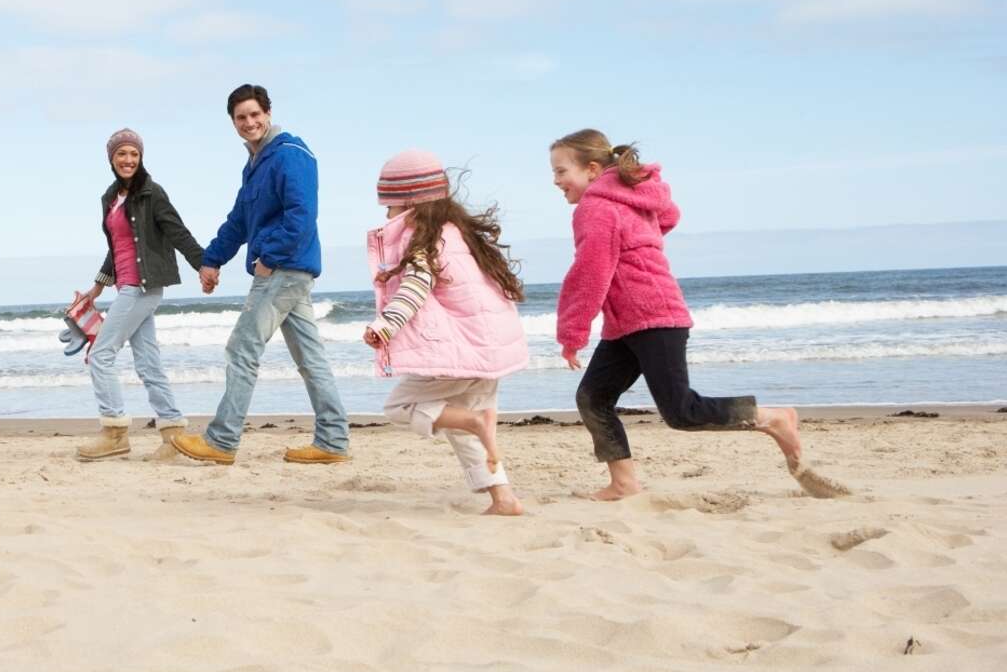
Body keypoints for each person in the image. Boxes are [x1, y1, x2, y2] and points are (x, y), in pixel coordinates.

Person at [550, 128, 820, 500]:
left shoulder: (595, 208)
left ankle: (773, 418)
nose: (556, 181)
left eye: (561, 171)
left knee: (682, 412)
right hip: (628, 322)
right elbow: (668, 216)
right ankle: (624, 483)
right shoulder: (629, 200)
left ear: (593, 169)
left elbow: (590, 273)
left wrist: (572, 333)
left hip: (654, 317)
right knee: (593, 397)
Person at [171, 85, 351, 465]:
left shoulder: (290, 155)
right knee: (310, 358)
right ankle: (333, 441)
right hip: (287, 271)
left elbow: (302, 216)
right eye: (241, 117)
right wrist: (211, 259)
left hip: (283, 270)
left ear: (268, 113)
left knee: (242, 348)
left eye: (255, 114)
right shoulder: (255, 163)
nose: (249, 122)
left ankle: (221, 441)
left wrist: (269, 257)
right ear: (233, 123)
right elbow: (239, 219)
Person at [363, 151, 531, 516]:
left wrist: (385, 325)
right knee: (462, 427)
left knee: (400, 406)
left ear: (407, 202)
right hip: (490, 348)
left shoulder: (422, 241)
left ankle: (474, 422)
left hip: (463, 352)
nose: (387, 216)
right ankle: (504, 499)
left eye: (389, 207)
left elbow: (415, 287)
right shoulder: (461, 234)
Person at [74, 128, 207, 462]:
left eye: (134, 154)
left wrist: (205, 265)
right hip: (126, 286)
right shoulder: (110, 197)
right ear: (111, 158)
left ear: (141, 157)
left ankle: (114, 432)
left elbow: (178, 231)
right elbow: (116, 247)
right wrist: (99, 286)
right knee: (149, 364)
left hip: (143, 287)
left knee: (100, 355)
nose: (129, 160)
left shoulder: (152, 193)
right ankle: (173, 435)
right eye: (122, 154)